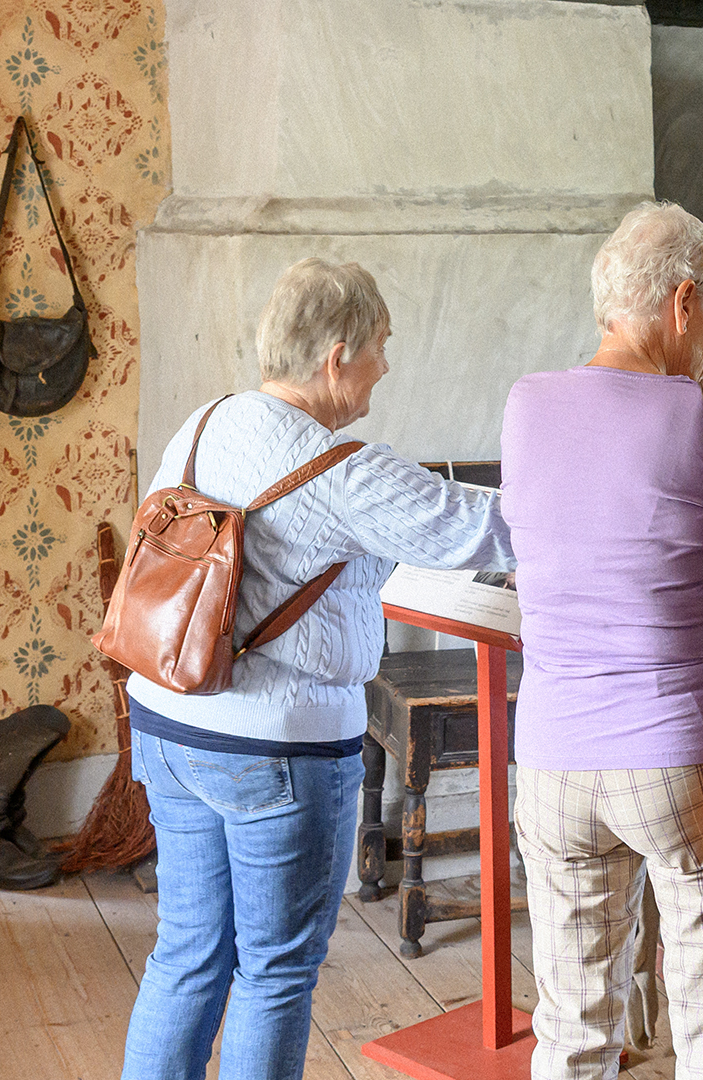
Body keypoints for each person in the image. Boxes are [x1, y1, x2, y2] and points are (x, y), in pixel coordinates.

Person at [119, 258, 514, 1080]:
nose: (385, 367)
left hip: (165, 721)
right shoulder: (339, 469)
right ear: (337, 356)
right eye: (380, 347)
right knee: (276, 971)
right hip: (278, 752)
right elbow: (483, 532)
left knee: (187, 953)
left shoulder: (202, 423)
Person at [500, 201, 703, 1080]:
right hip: (678, 758)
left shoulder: (526, 405)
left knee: (573, 1023)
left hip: (553, 761)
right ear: (683, 302)